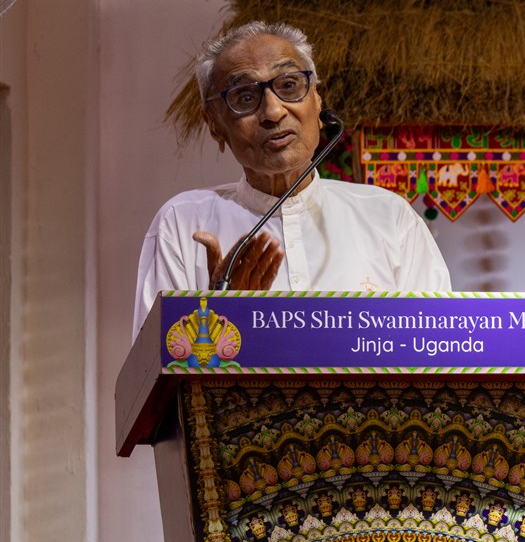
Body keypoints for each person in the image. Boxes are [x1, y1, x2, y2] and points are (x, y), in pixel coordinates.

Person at [134, 21, 450, 332]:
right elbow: (153, 377)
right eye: (245, 97)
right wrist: (224, 319)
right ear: (214, 124)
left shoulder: (389, 218)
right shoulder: (182, 224)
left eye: (289, 86)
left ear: (316, 100)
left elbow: (439, 350)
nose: (273, 111)